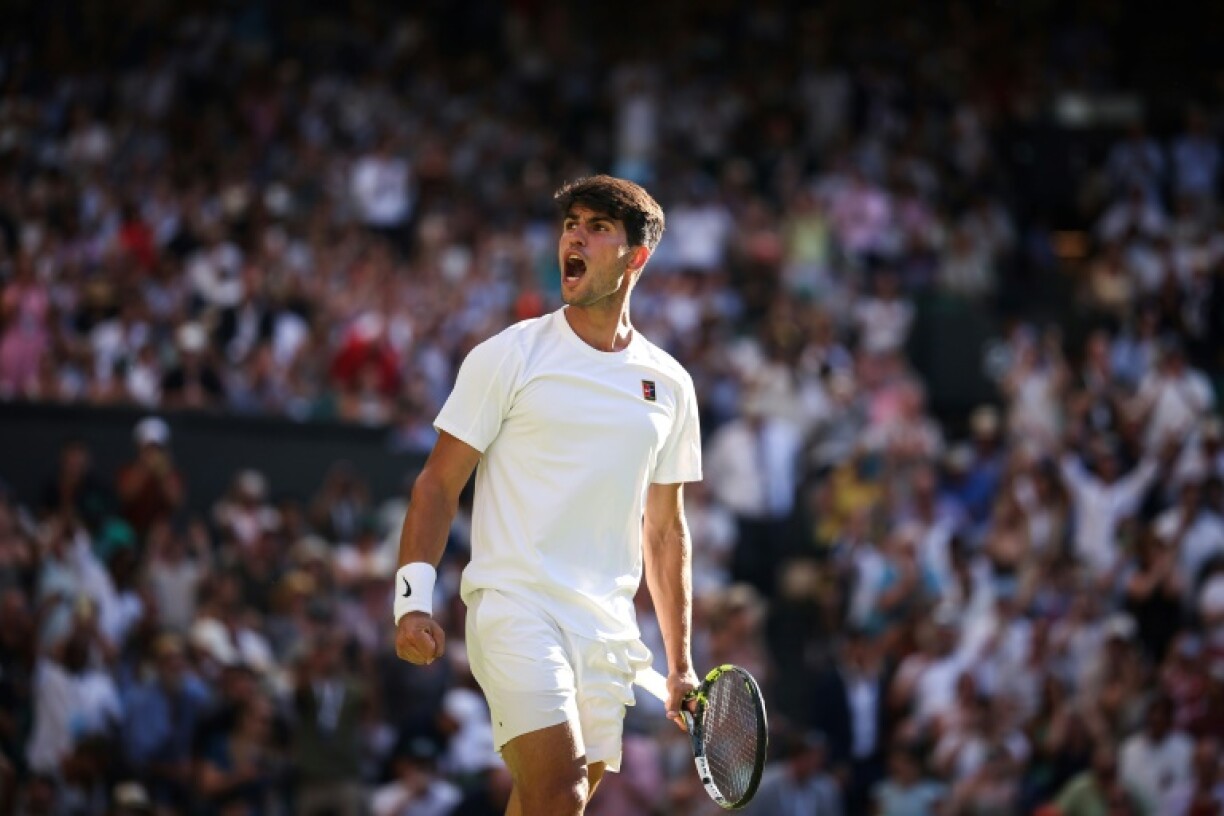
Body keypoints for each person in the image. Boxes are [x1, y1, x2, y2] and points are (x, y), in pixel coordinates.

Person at [393, 175, 703, 815]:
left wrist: (680, 665)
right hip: (516, 605)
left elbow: (665, 531)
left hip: (606, 625)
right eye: (572, 224)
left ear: (635, 257)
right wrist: (411, 602)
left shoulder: (670, 384)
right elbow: (437, 484)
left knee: (553, 802)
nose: (576, 236)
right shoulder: (508, 355)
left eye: (597, 228)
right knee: (558, 788)